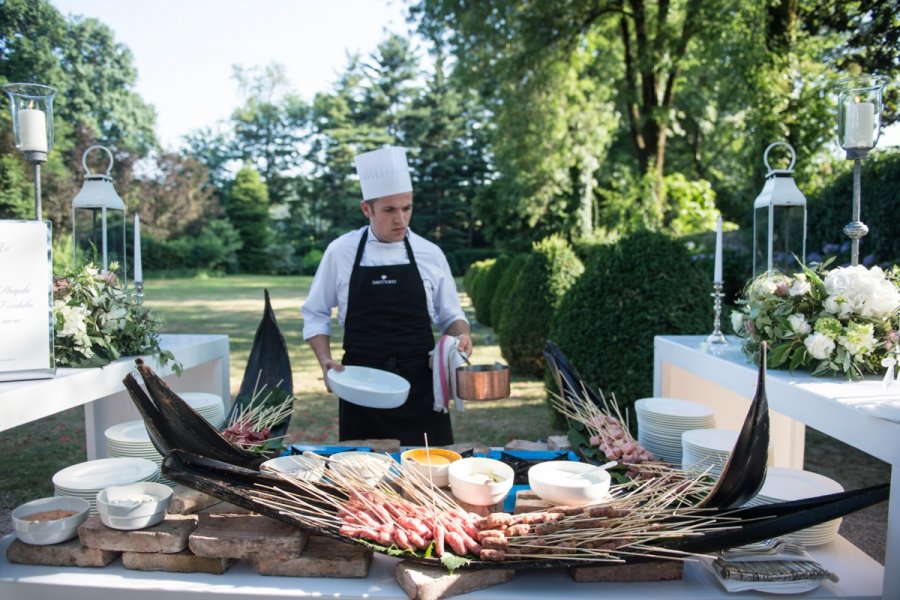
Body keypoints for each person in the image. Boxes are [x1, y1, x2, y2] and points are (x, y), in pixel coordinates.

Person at [302, 146, 472, 446]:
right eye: (390, 210)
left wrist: (462, 337)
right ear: (366, 209)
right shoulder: (341, 252)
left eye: (407, 208)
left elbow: (451, 315)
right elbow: (315, 312)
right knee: (363, 476)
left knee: (429, 472)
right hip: (360, 384)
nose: (401, 220)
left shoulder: (430, 253)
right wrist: (325, 360)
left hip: (421, 388)